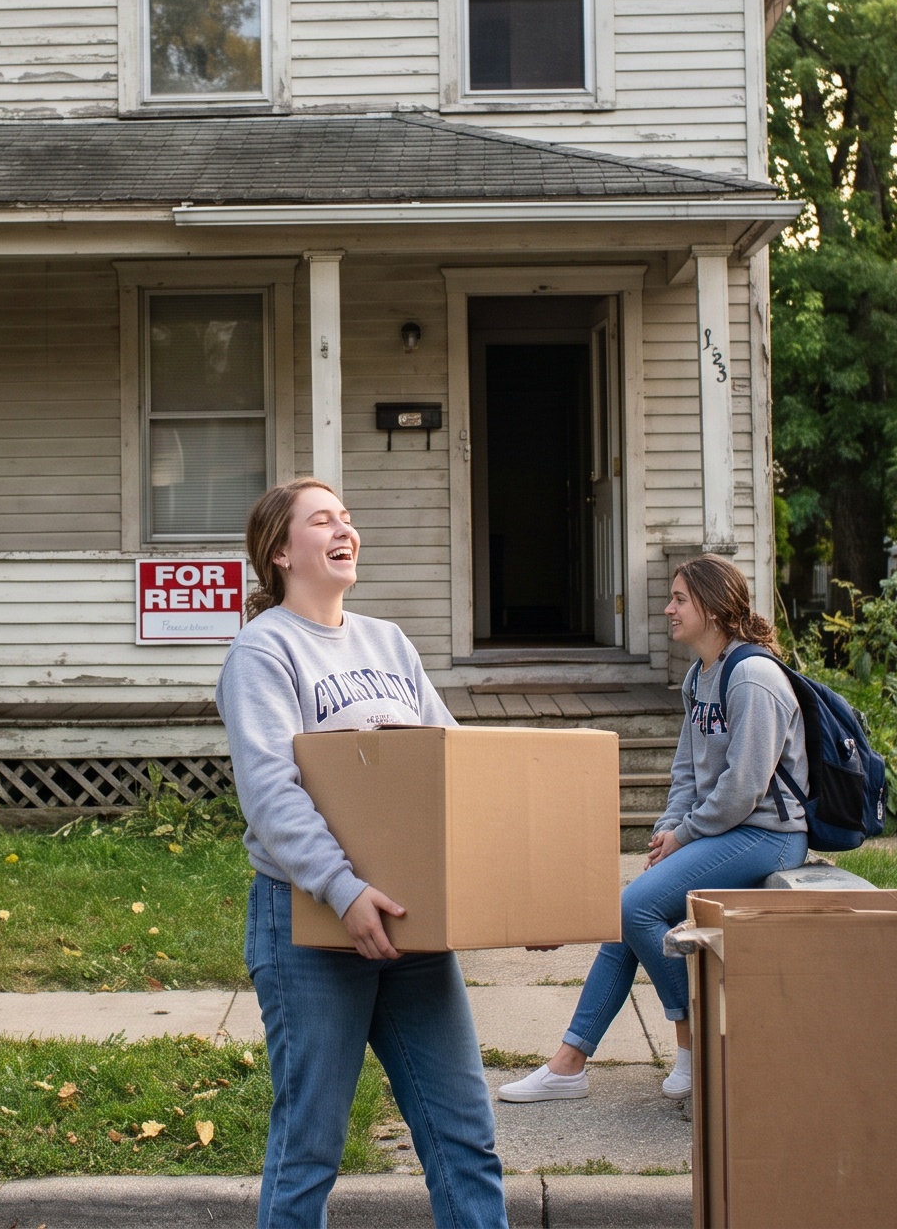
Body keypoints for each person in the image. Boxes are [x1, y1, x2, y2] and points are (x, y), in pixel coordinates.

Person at [218, 477, 509, 1229]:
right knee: (311, 1146)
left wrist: (504, 890)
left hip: (409, 922)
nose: (344, 528)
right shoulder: (263, 650)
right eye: (322, 520)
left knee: (464, 1134)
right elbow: (273, 791)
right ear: (281, 551)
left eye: (347, 517)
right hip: (312, 920)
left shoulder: (388, 641)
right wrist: (343, 890)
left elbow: (453, 764)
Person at [495, 554, 808, 1105]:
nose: (668, 608)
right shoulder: (700, 676)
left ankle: (692, 1044)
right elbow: (686, 770)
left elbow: (744, 788)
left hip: (770, 836)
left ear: (713, 607)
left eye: (680, 598)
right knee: (630, 916)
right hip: (725, 831)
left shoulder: (753, 677)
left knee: (630, 908)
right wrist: (669, 830)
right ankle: (569, 1064)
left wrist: (686, 835)